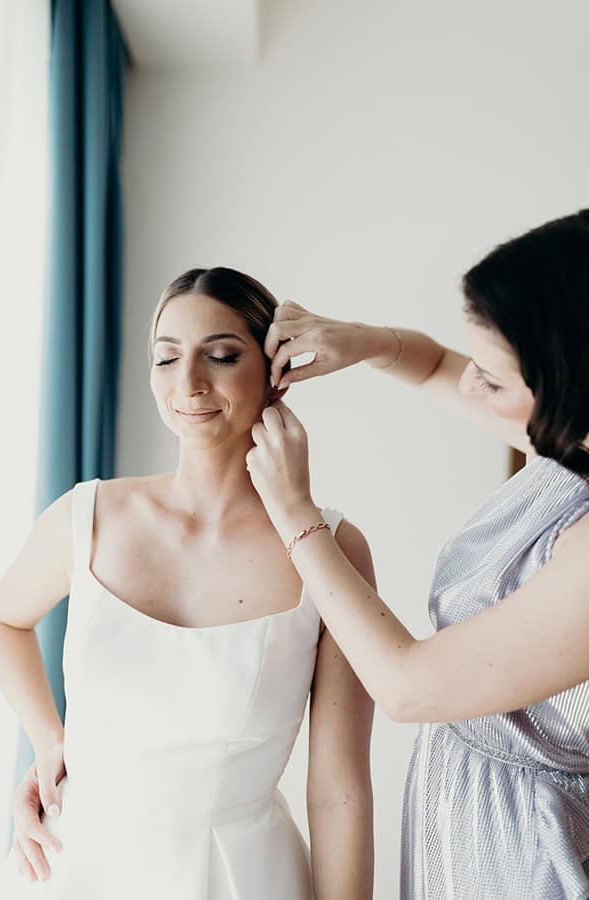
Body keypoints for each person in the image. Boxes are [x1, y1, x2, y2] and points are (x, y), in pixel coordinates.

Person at [0, 267, 374, 899]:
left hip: (236, 877)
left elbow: (340, 792)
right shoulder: (88, 516)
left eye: (220, 356)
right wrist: (48, 737)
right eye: (166, 359)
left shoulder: (331, 550)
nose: (188, 384)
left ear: (276, 372)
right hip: (75, 863)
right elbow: (4, 620)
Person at [246, 210, 589, 899]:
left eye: (493, 380)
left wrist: (297, 517)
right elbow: (436, 365)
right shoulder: (572, 446)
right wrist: (370, 342)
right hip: (466, 825)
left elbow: (407, 687)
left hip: (527, 858)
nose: (472, 388)